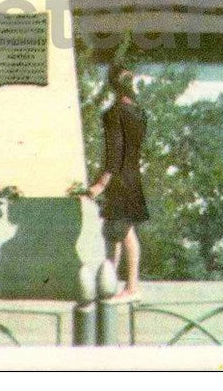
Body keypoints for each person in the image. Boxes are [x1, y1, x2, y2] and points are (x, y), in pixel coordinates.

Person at [86, 66, 149, 300]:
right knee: (113, 231)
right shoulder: (139, 112)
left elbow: (115, 151)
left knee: (124, 232)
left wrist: (100, 183)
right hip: (132, 174)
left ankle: (132, 287)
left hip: (119, 179)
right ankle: (108, 282)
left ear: (112, 85)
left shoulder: (114, 113)